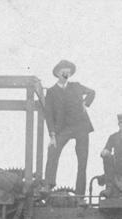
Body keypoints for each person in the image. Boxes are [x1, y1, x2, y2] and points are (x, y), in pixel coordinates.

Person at [44, 59, 95, 195]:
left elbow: (92, 92)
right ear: (57, 73)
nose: (66, 73)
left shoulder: (76, 86)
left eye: (68, 71)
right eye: (63, 71)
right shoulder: (51, 92)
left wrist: (85, 103)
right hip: (64, 128)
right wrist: (52, 136)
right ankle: (48, 184)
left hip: (81, 126)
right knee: (53, 149)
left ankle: (80, 194)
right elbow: (48, 115)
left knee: (82, 161)